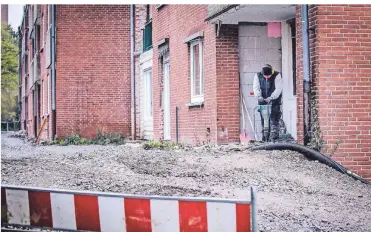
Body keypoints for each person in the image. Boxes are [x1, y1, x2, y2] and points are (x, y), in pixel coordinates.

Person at [253, 64, 283, 142]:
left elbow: (278, 89)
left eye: (268, 76)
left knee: (274, 121)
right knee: (264, 121)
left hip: (274, 101)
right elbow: (256, 88)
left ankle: (274, 139)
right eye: (265, 76)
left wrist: (271, 97)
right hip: (262, 102)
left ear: (271, 73)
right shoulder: (258, 76)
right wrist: (259, 96)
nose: (267, 78)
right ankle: (265, 139)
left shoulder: (277, 75)